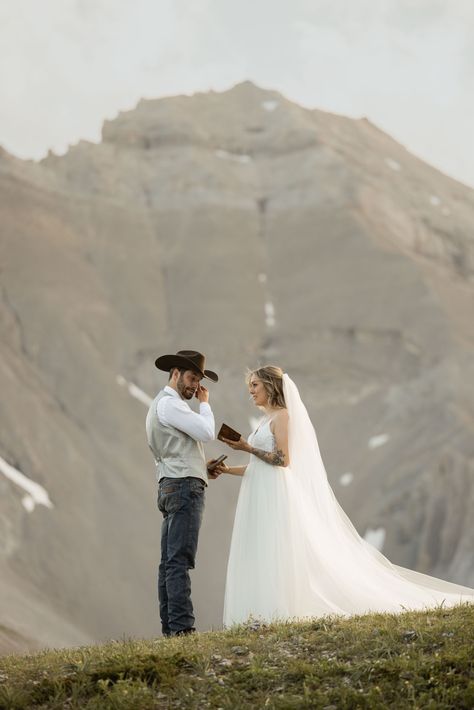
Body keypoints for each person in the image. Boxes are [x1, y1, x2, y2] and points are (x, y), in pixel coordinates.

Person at [218, 366, 474, 626]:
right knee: (261, 550)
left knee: (275, 550)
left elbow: (283, 460)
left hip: (275, 496)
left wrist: (247, 447)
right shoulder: (264, 420)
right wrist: (227, 469)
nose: (250, 391)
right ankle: (261, 614)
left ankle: (278, 612)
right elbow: (260, 467)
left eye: (255, 386)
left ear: (271, 387)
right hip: (260, 493)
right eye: (250, 386)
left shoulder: (282, 417)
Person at [146, 350, 220, 637]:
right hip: (184, 488)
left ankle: (170, 627)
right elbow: (206, 432)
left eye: (198, 380)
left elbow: (172, 449)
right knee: (180, 560)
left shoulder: (159, 406)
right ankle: (181, 628)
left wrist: (201, 466)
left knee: (169, 561)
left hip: (170, 484)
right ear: (175, 374)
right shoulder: (172, 405)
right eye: (191, 378)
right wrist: (205, 404)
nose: (195, 386)